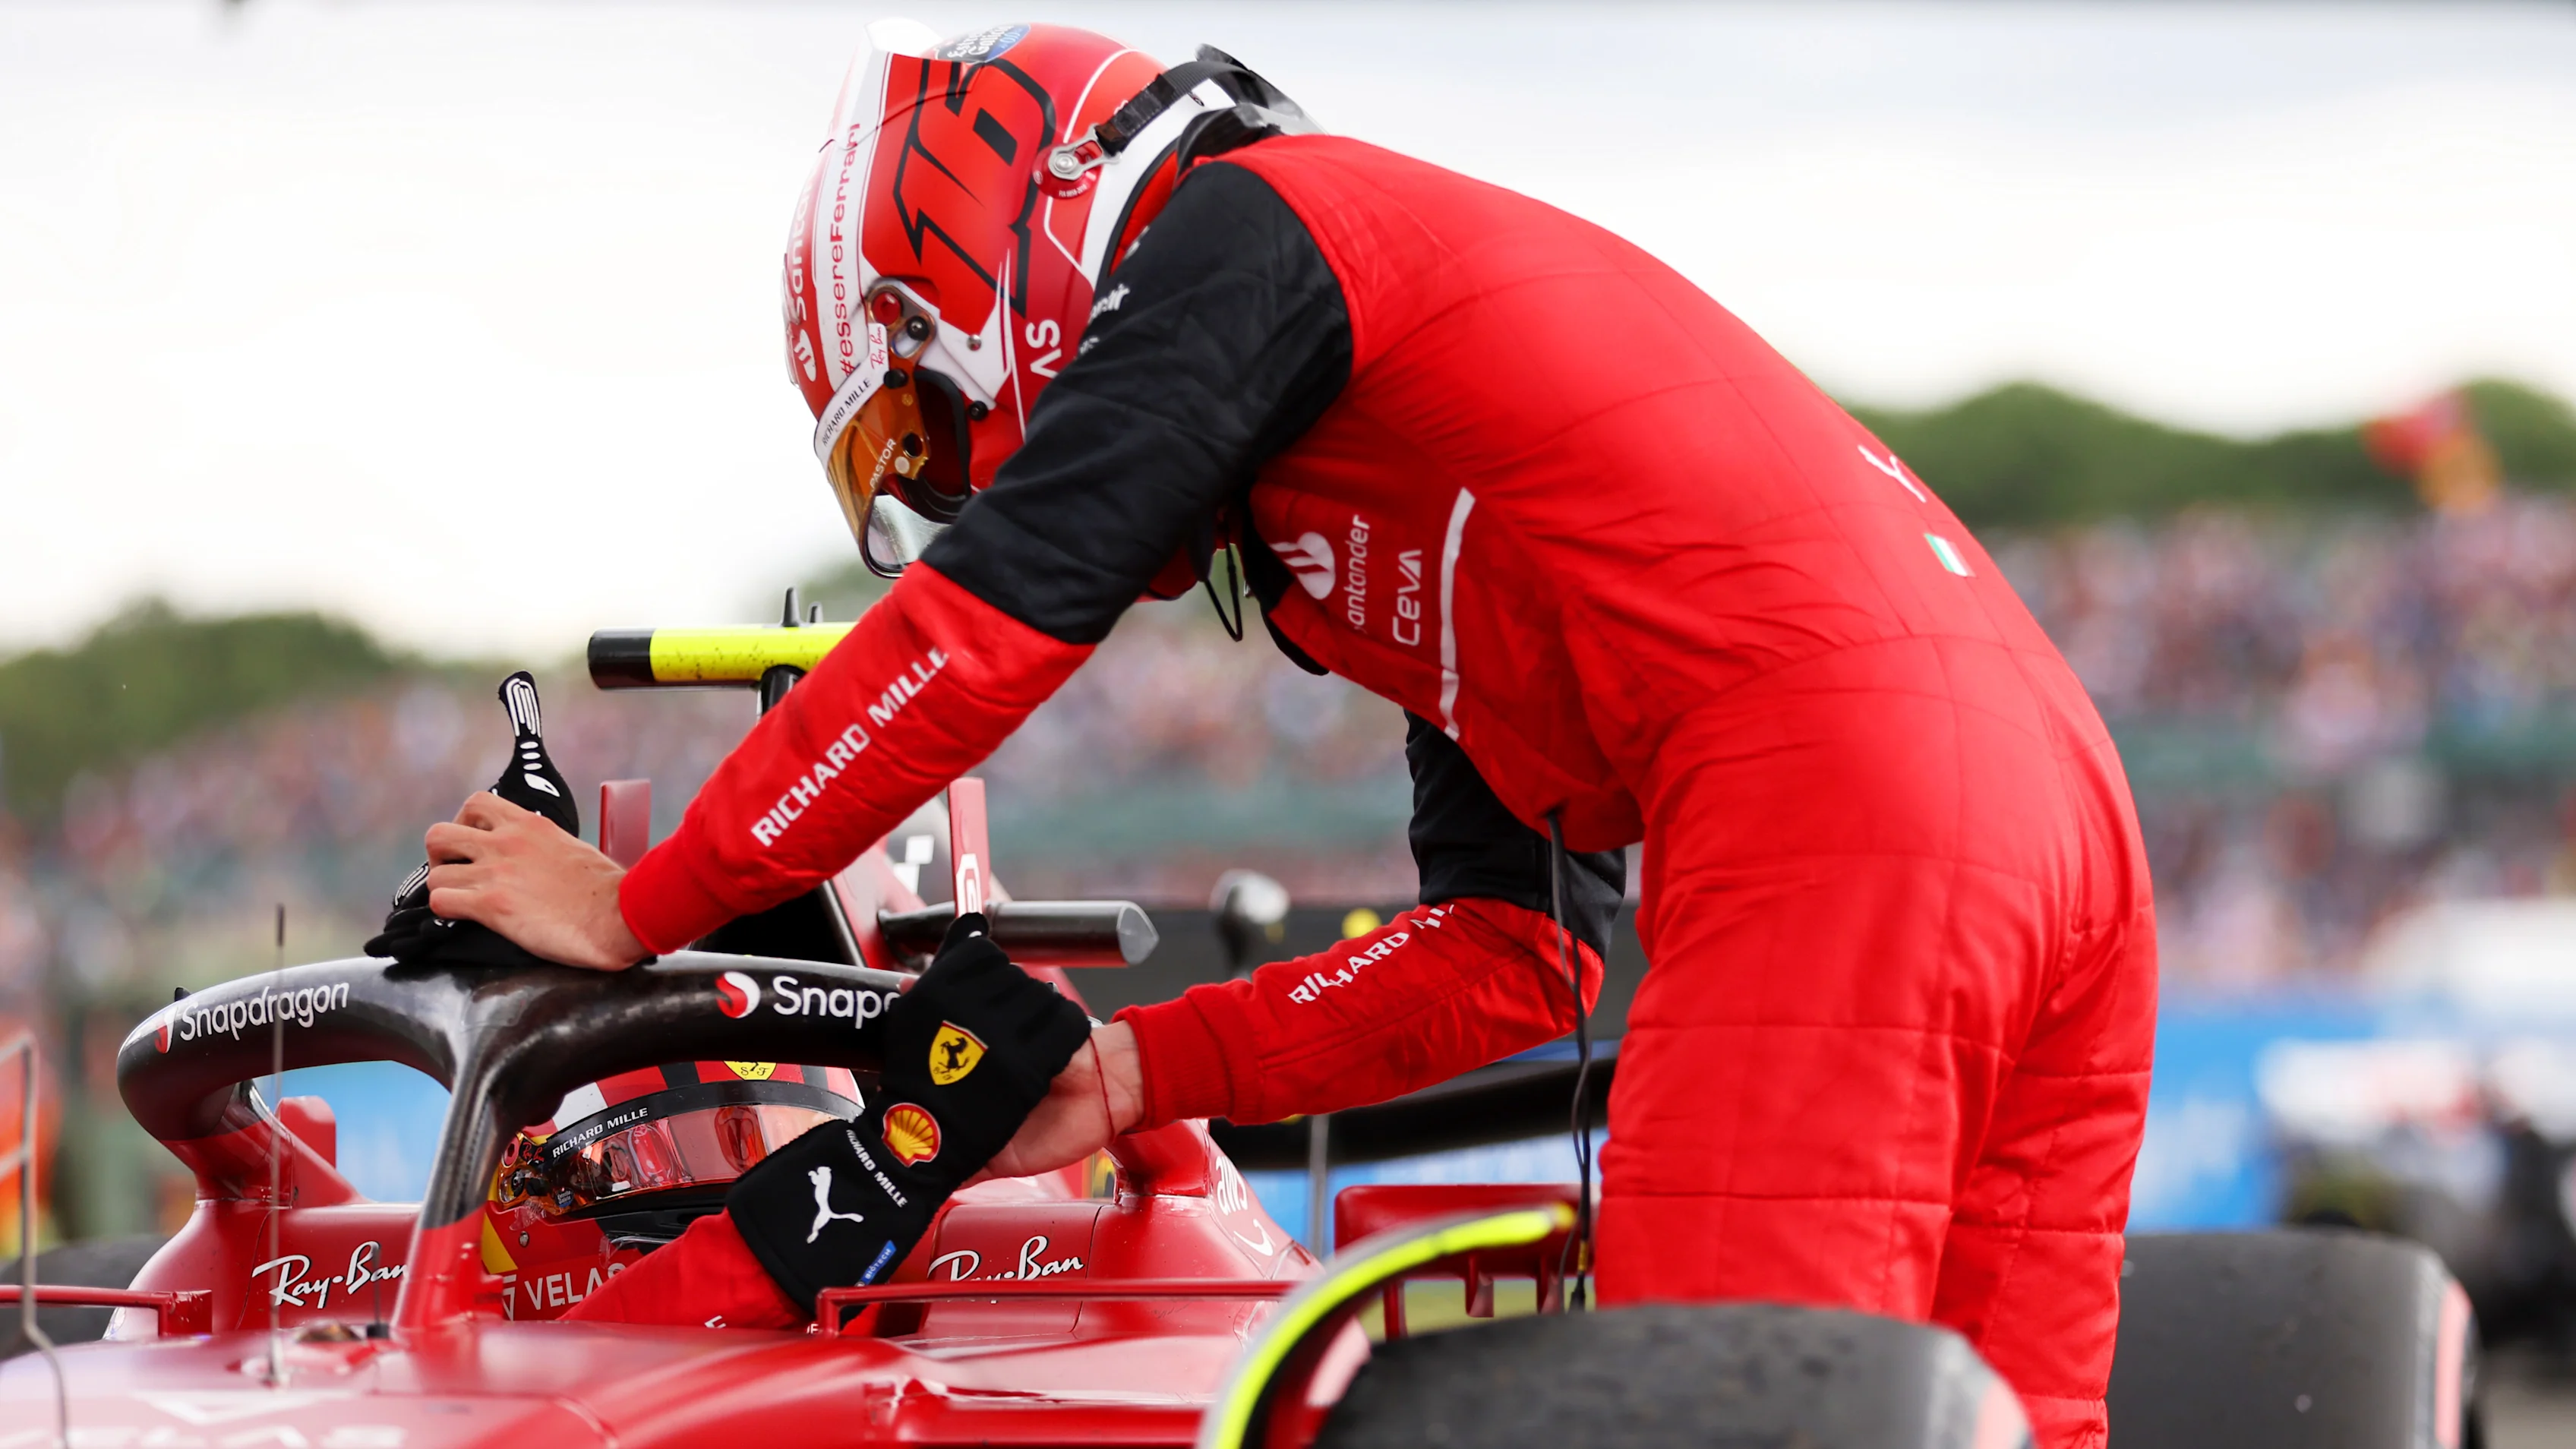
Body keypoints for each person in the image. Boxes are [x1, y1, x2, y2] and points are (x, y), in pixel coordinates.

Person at [423, 20, 2155, 1446]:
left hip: (1834, 800)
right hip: (2054, 813)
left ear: (1001, 246)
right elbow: (1517, 961)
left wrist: (641, 907)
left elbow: (1000, 618)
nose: (950, 489)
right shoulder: (1414, 427)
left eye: (925, 434)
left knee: (1713, 1417)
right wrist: (1128, 1077)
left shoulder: (1261, 231)